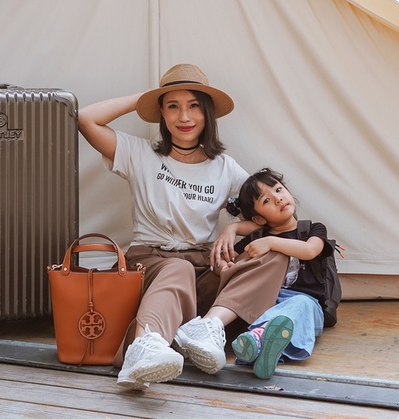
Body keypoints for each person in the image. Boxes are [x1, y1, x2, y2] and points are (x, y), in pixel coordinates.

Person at [77, 64, 288, 390]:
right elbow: (86, 119)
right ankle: (144, 347)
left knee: (274, 255)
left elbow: (272, 211)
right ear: (161, 113)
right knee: (177, 268)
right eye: (172, 106)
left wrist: (232, 229)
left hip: (203, 265)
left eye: (193, 106)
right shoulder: (139, 153)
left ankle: (207, 328)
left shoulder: (224, 167)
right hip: (152, 263)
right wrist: (145, 98)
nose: (184, 117)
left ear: (207, 113)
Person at [226, 168, 333, 379]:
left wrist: (271, 242)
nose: (278, 199)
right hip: (268, 303)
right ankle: (264, 352)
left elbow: (310, 251)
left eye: (278, 189)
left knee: (298, 306)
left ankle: (256, 338)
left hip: (308, 305)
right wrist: (226, 256)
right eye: (266, 201)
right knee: (269, 317)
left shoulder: (313, 229)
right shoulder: (256, 238)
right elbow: (232, 262)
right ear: (258, 218)